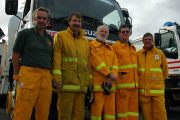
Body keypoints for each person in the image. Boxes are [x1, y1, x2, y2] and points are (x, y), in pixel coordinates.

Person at [12, 7, 53, 120]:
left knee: (43, 113)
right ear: (34, 19)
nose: (41, 20)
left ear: (47, 21)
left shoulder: (50, 38)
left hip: (45, 78)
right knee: (22, 112)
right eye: (38, 18)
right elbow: (15, 56)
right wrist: (17, 75)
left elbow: (51, 58)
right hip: (28, 75)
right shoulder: (24, 34)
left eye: (44, 18)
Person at [52, 12, 91, 120]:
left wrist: (88, 83)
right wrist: (57, 79)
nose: (76, 23)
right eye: (74, 21)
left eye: (79, 21)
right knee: (65, 115)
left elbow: (87, 64)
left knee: (79, 116)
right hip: (65, 85)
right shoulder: (60, 36)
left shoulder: (85, 42)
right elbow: (56, 58)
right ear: (69, 22)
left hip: (81, 86)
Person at [90, 25, 118, 120]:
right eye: (101, 31)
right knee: (96, 113)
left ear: (108, 34)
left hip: (110, 86)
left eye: (106, 32)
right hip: (98, 86)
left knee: (110, 113)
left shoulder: (111, 48)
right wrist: (109, 74)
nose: (103, 33)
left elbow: (115, 64)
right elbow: (95, 61)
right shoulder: (91, 45)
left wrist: (112, 76)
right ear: (96, 33)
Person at [137, 33, 168, 120]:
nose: (147, 41)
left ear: (152, 41)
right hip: (144, 92)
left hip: (157, 91)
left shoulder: (159, 53)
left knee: (161, 114)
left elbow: (165, 70)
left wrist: (159, 82)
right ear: (143, 41)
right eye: (146, 39)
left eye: (149, 39)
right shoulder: (138, 54)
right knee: (147, 116)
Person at [113, 24, 139, 120]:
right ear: (119, 33)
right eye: (123, 32)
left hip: (134, 87)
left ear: (130, 33)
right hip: (122, 87)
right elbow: (112, 65)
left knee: (133, 113)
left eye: (127, 32)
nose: (125, 33)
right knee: (122, 113)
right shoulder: (115, 47)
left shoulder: (133, 48)